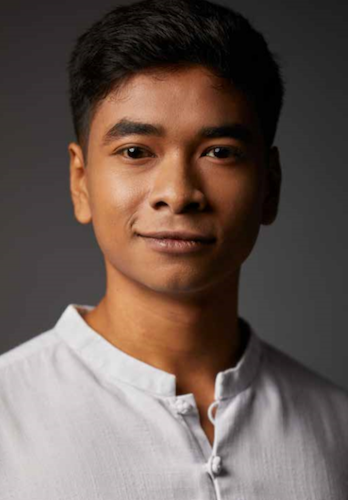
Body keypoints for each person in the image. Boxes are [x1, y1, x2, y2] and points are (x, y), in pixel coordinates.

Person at [0, 0, 347, 497]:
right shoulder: (8, 419)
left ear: (268, 187)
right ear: (81, 182)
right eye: (136, 152)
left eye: (219, 153)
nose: (178, 192)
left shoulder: (337, 427)